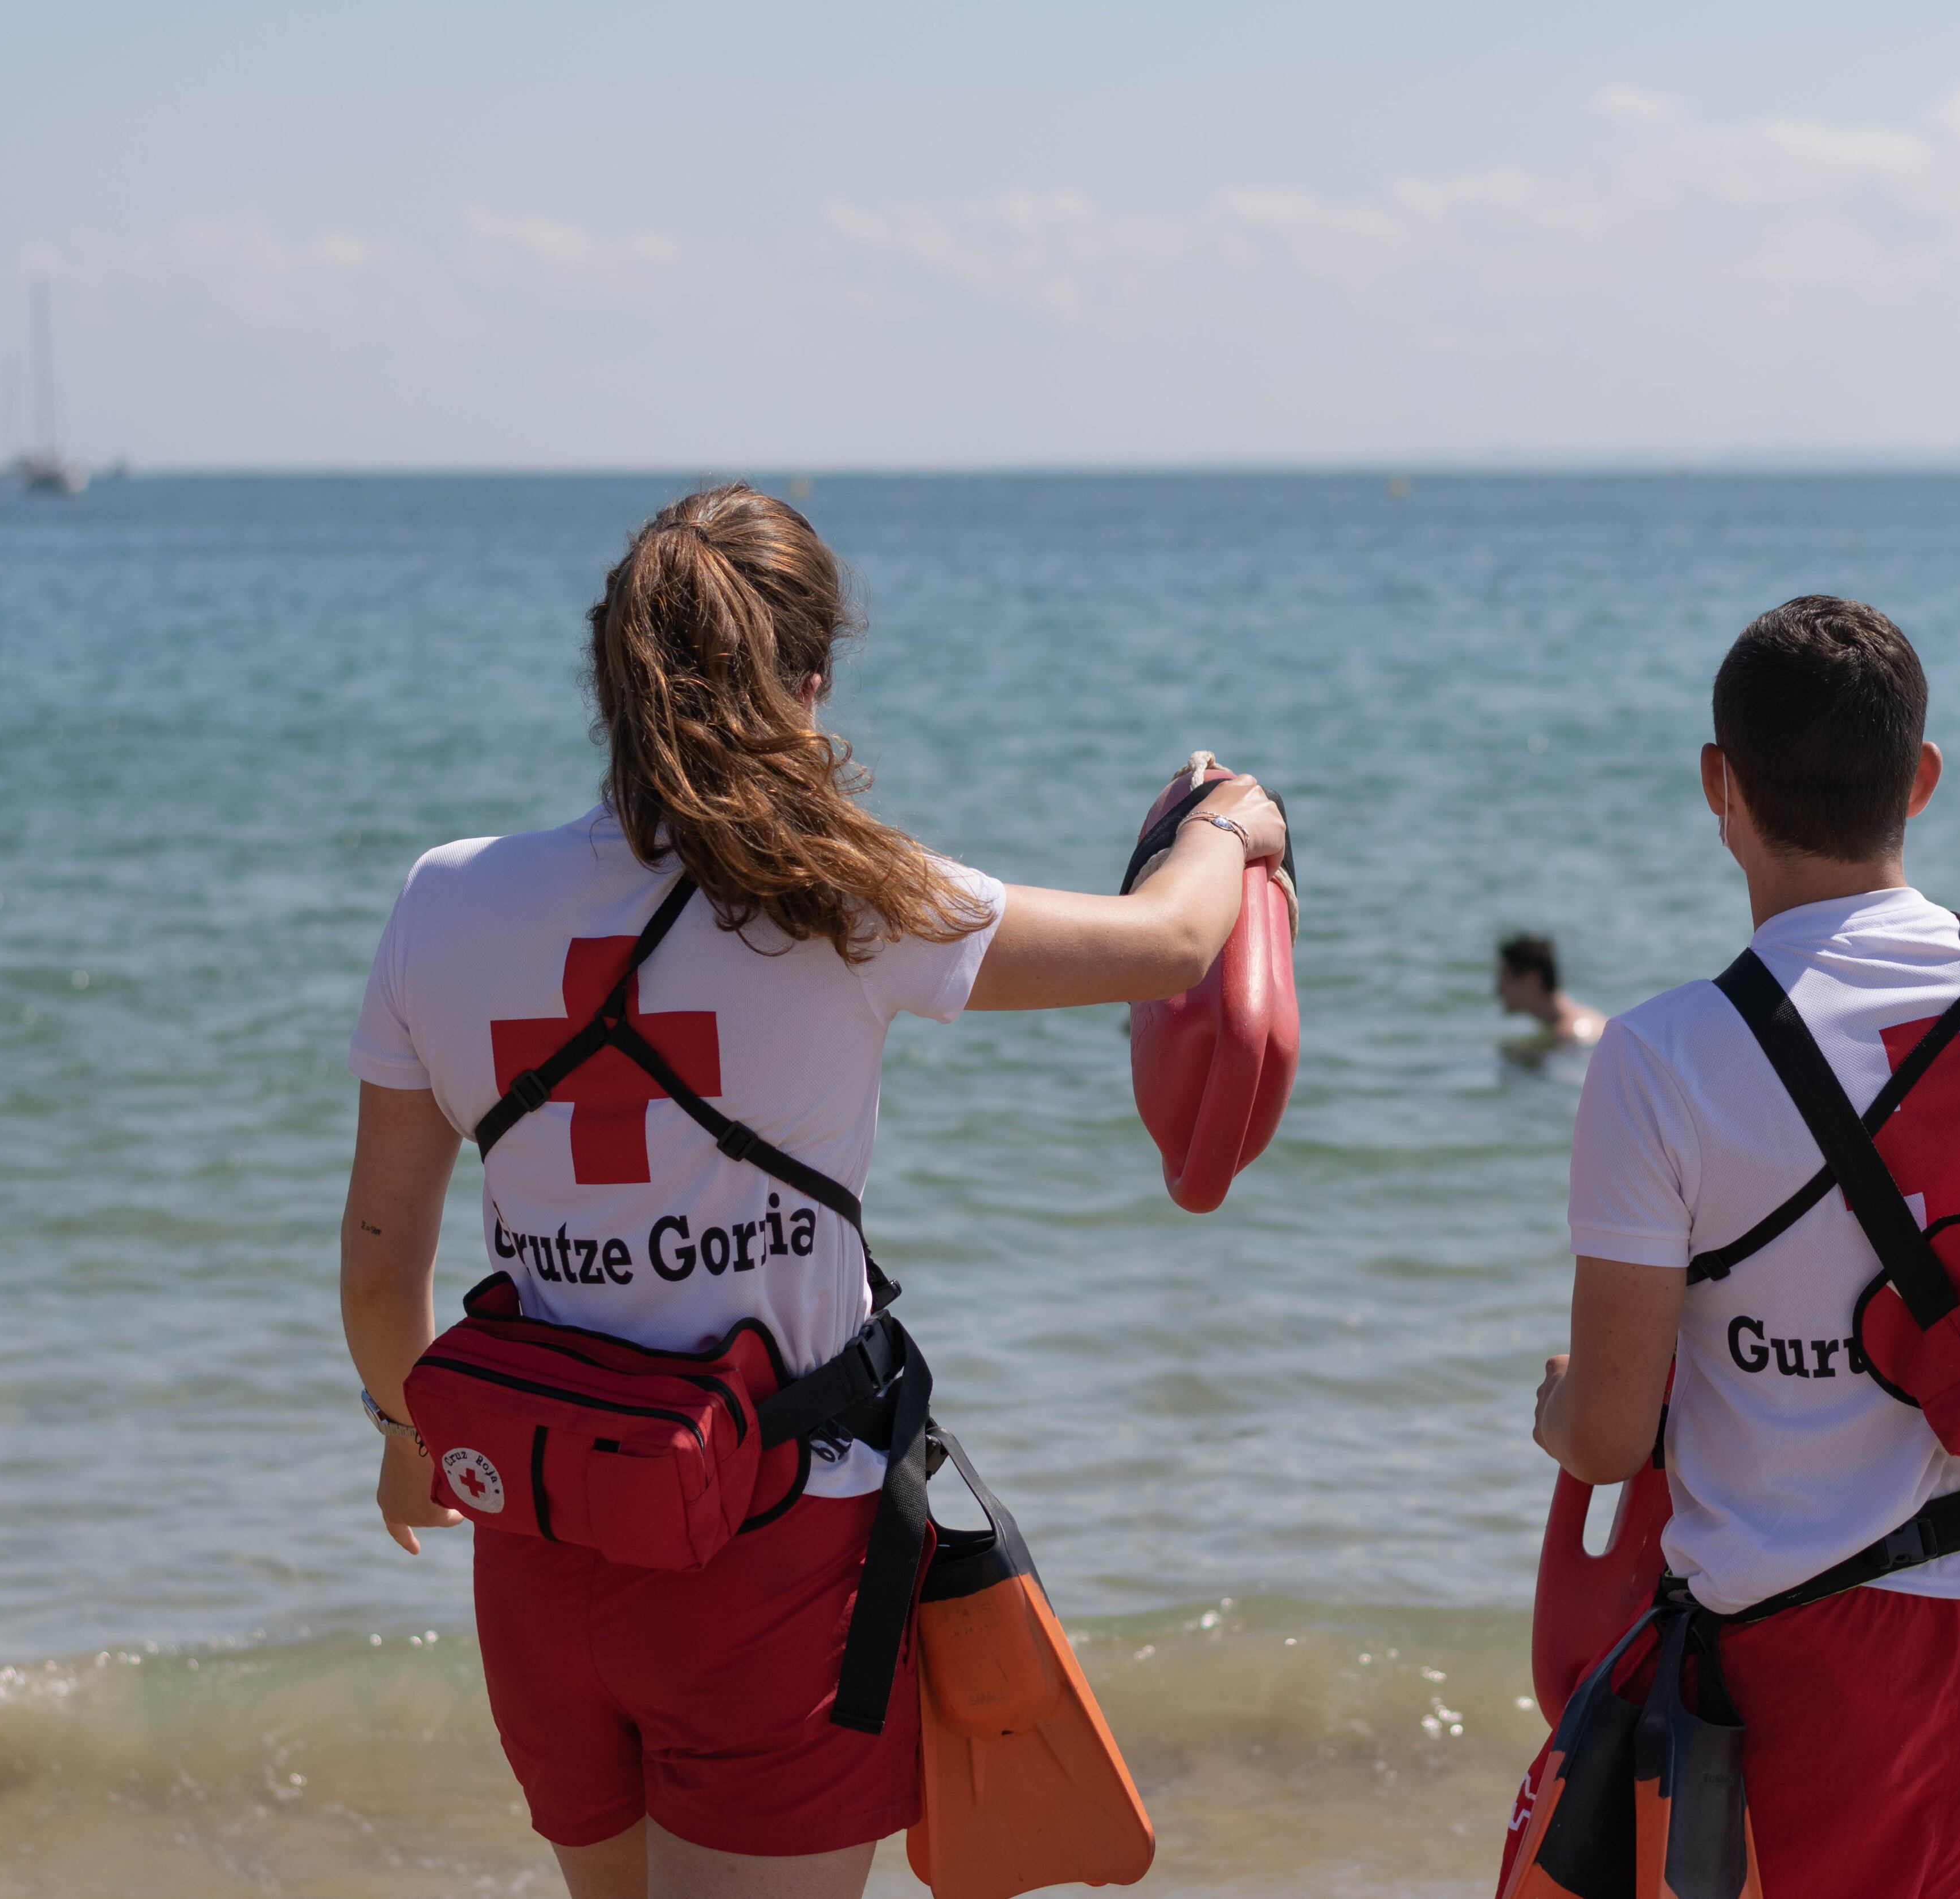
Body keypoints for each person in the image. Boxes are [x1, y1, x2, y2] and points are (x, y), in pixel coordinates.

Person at [337, 485, 1285, 1899]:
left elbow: (375, 1257)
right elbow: (1168, 947)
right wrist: (1229, 820)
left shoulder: (444, 902)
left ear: (610, 679)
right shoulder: (842, 900)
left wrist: (408, 1429)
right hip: (768, 1558)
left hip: (541, 1543)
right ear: (811, 681)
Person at [1531, 595, 1960, 1898]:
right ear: (1924, 778)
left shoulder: (1660, 1057)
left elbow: (1611, 1437)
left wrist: (1556, 1407)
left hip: (1802, 1659)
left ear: (1717, 785)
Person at [1496, 933, 1604, 1055]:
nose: (1498, 990)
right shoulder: (1568, 1026)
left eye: (1505, 980)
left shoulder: (1571, 1035)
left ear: (1532, 980)